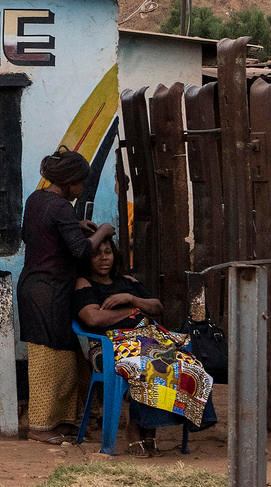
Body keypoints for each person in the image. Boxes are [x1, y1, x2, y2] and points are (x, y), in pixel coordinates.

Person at [73, 236, 216, 455]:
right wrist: (130, 311)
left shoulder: (128, 282)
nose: (103, 258)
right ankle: (136, 428)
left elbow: (157, 307)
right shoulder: (84, 283)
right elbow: (92, 319)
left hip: (148, 340)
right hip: (109, 346)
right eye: (97, 253)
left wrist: (131, 298)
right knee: (149, 365)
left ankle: (150, 427)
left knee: (187, 364)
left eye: (108, 252)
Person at [18, 147, 112, 444]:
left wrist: (75, 226)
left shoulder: (36, 199)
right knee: (47, 358)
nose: (81, 189)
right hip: (47, 291)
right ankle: (40, 428)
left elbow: (34, 233)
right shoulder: (61, 208)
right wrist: (102, 231)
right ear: (70, 181)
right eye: (80, 183)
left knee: (64, 355)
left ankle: (61, 421)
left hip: (38, 288)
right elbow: (80, 250)